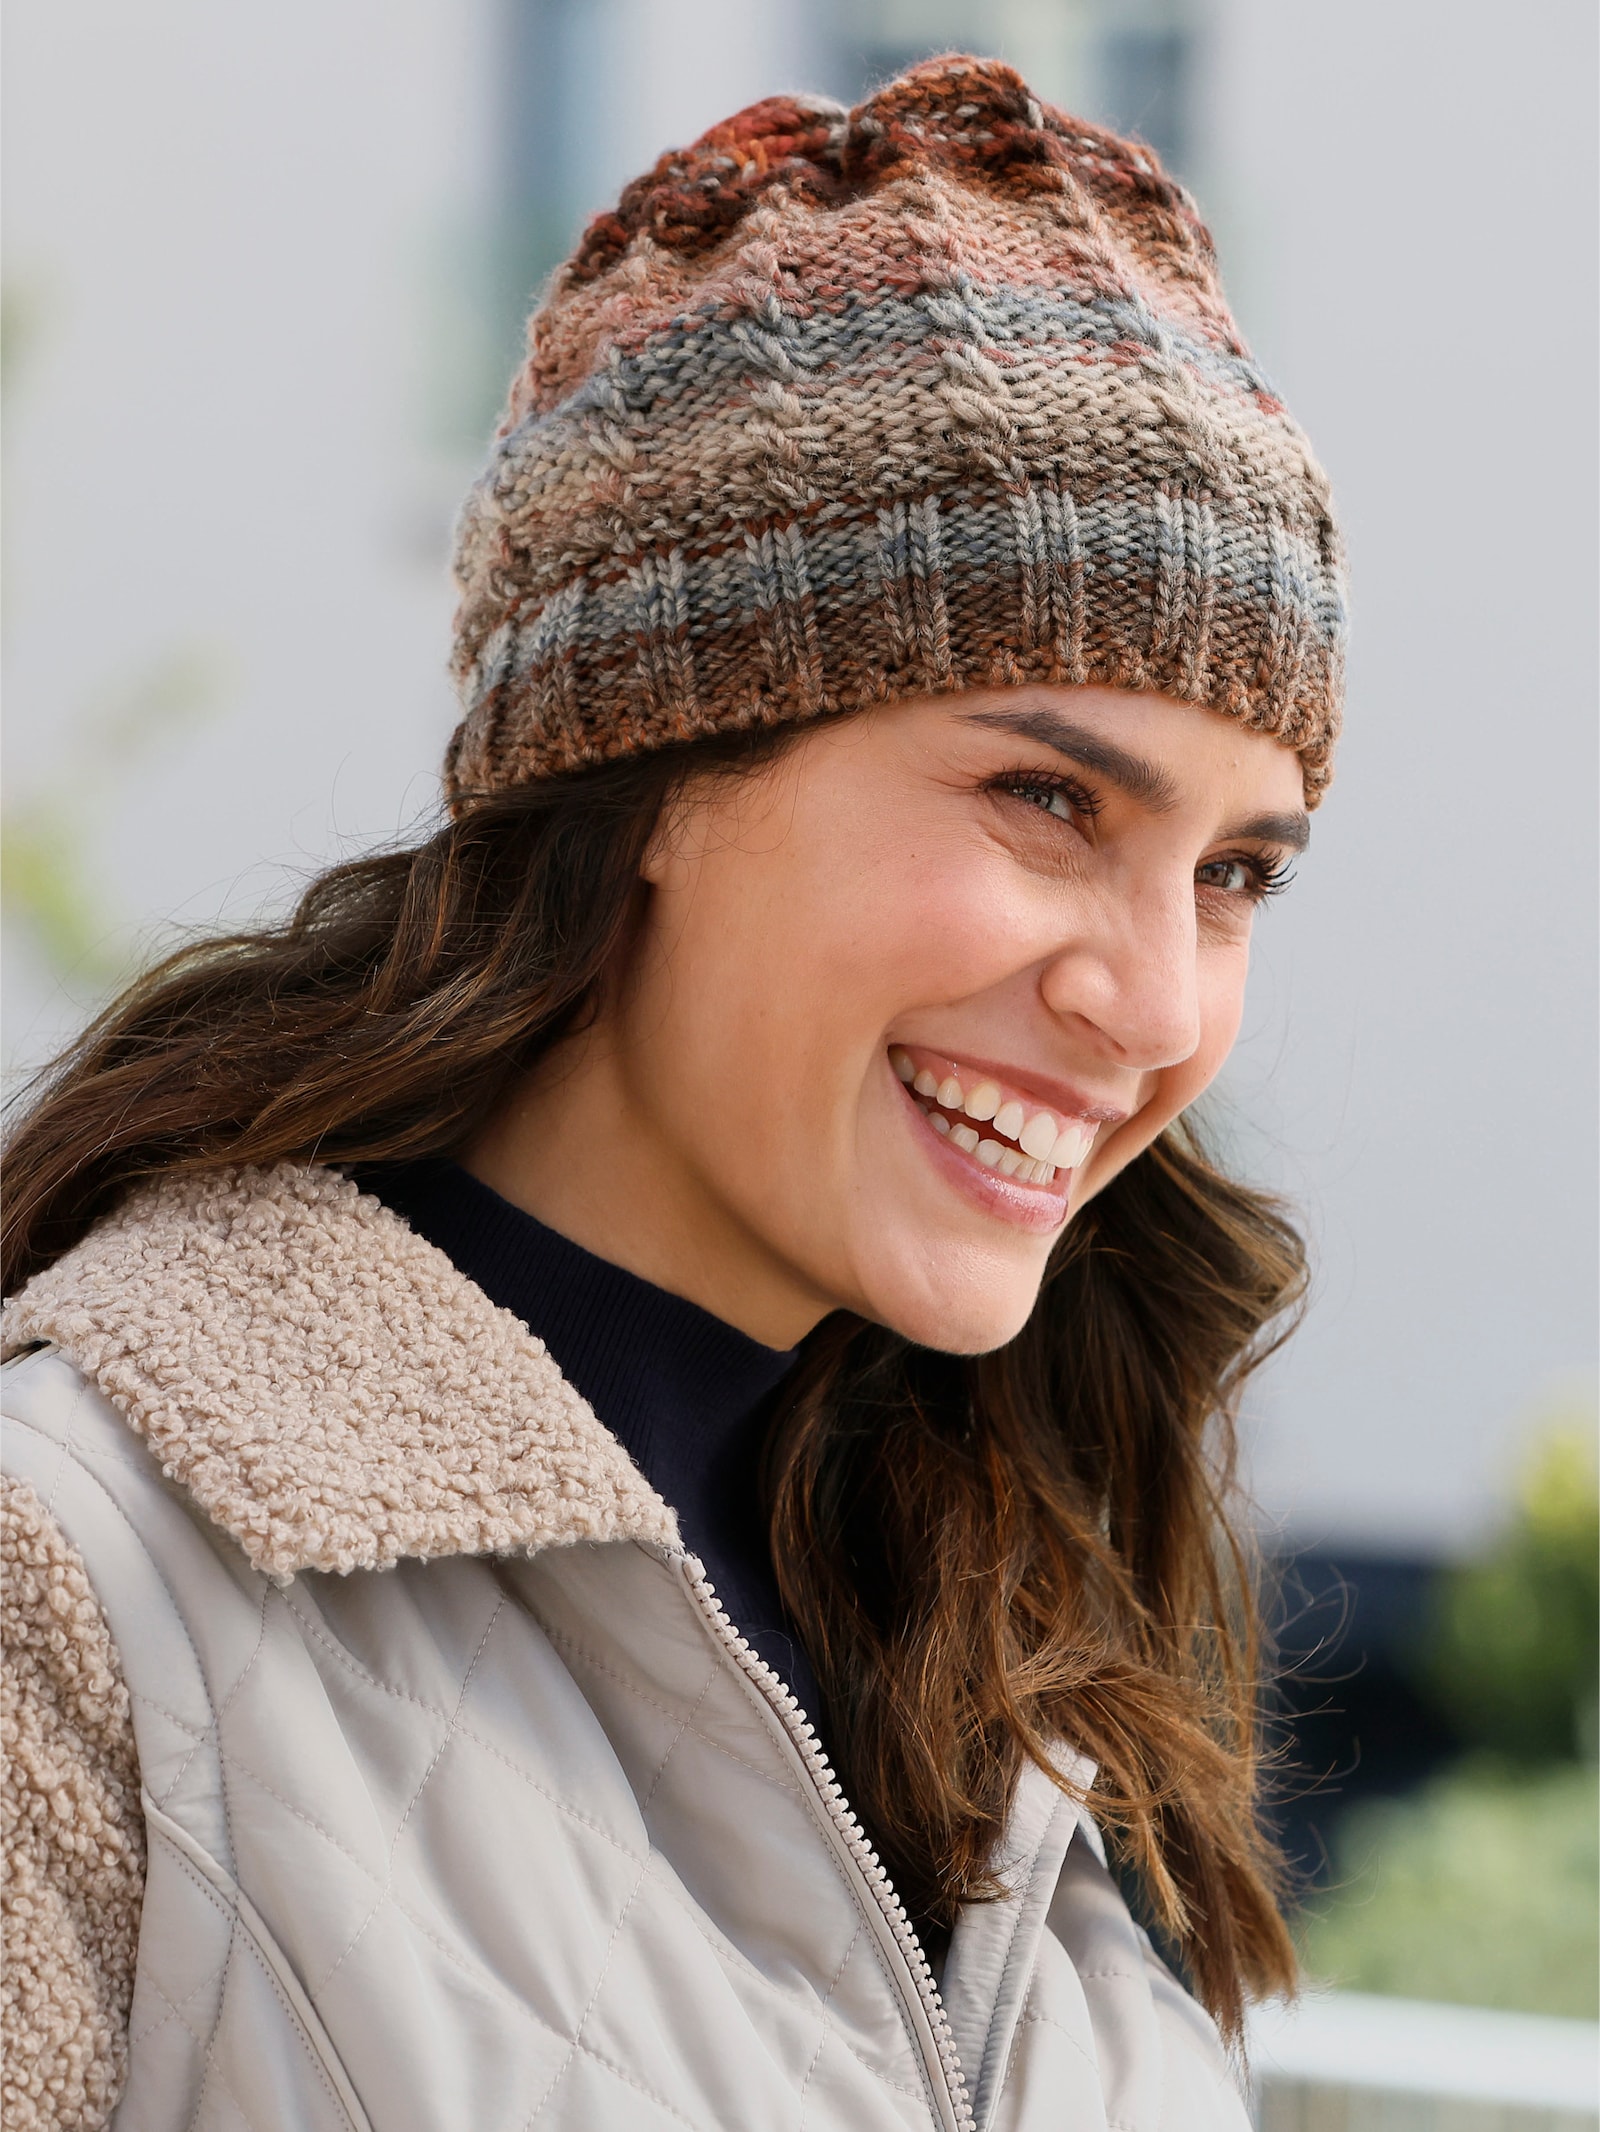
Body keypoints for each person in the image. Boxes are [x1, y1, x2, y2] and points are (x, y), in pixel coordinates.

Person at [0, 54, 1346, 2132]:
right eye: (1043, 796)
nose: (1152, 996)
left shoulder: (1016, 1650)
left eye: (1233, 871)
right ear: (652, 771)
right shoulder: (71, 1582)